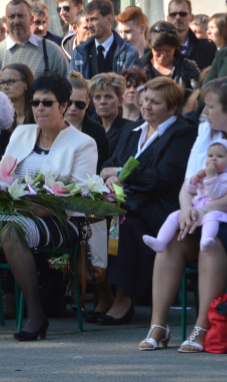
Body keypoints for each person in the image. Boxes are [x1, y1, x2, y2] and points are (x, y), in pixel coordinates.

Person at [138, 77, 227, 352]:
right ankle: (158, 326)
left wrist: (203, 210)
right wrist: (185, 211)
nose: (203, 112)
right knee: (172, 239)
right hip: (206, 210)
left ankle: (204, 326)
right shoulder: (207, 131)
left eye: (210, 106)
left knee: (212, 241)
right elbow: (188, 183)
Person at [0, 73, 93, 340]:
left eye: (47, 103)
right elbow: (2, 174)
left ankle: (36, 315)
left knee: (11, 230)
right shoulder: (23, 133)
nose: (39, 108)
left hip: (60, 219)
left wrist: (30, 205)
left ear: (64, 106)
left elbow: (78, 196)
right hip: (13, 211)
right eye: (35, 103)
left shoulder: (83, 143)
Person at [94, 77, 196, 326]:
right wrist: (110, 179)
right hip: (126, 203)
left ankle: (123, 298)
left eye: (155, 102)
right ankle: (103, 293)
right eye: (145, 100)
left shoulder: (182, 133)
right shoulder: (132, 130)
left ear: (172, 108)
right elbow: (110, 165)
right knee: (95, 221)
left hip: (159, 211)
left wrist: (121, 174)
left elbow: (161, 177)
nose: (147, 106)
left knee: (125, 224)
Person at [145, 139, 227, 254]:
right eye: (210, 155)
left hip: (216, 208)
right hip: (198, 207)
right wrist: (195, 178)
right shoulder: (204, 174)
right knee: (174, 215)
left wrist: (211, 177)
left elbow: (215, 195)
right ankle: (160, 241)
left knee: (211, 218)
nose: (213, 159)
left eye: (220, 156)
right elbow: (190, 189)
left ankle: (206, 241)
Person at [0, 0, 68, 79]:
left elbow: (66, 87)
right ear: (5, 21)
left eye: (21, 16)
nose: (16, 21)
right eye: (12, 17)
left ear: (31, 19)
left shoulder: (52, 51)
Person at [69, 0, 138, 79]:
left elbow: (130, 87)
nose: (89, 25)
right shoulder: (79, 52)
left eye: (94, 19)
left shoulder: (128, 53)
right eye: (87, 21)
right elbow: (72, 86)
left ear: (109, 19)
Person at [134, 22, 200, 95]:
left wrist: (175, 93)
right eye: (158, 50)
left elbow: (198, 94)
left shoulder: (188, 67)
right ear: (151, 46)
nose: (163, 55)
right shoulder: (138, 68)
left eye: (168, 50)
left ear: (175, 48)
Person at [67, 72, 110, 172]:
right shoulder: (51, 126)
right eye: (69, 102)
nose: (73, 108)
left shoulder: (97, 131)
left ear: (87, 104)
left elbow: (101, 167)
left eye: (79, 104)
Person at [167, 0, 217, 70]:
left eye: (182, 14)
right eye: (173, 14)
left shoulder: (208, 48)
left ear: (192, 17)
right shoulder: (159, 48)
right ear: (168, 18)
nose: (178, 17)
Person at [90, 72, 133, 155]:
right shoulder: (89, 128)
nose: (102, 102)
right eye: (98, 97)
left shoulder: (129, 129)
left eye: (108, 97)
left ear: (120, 101)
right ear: (93, 101)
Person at [0, 63, 34, 128]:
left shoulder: (38, 114)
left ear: (26, 83)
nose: (5, 87)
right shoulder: (4, 118)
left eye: (10, 81)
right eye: (2, 82)